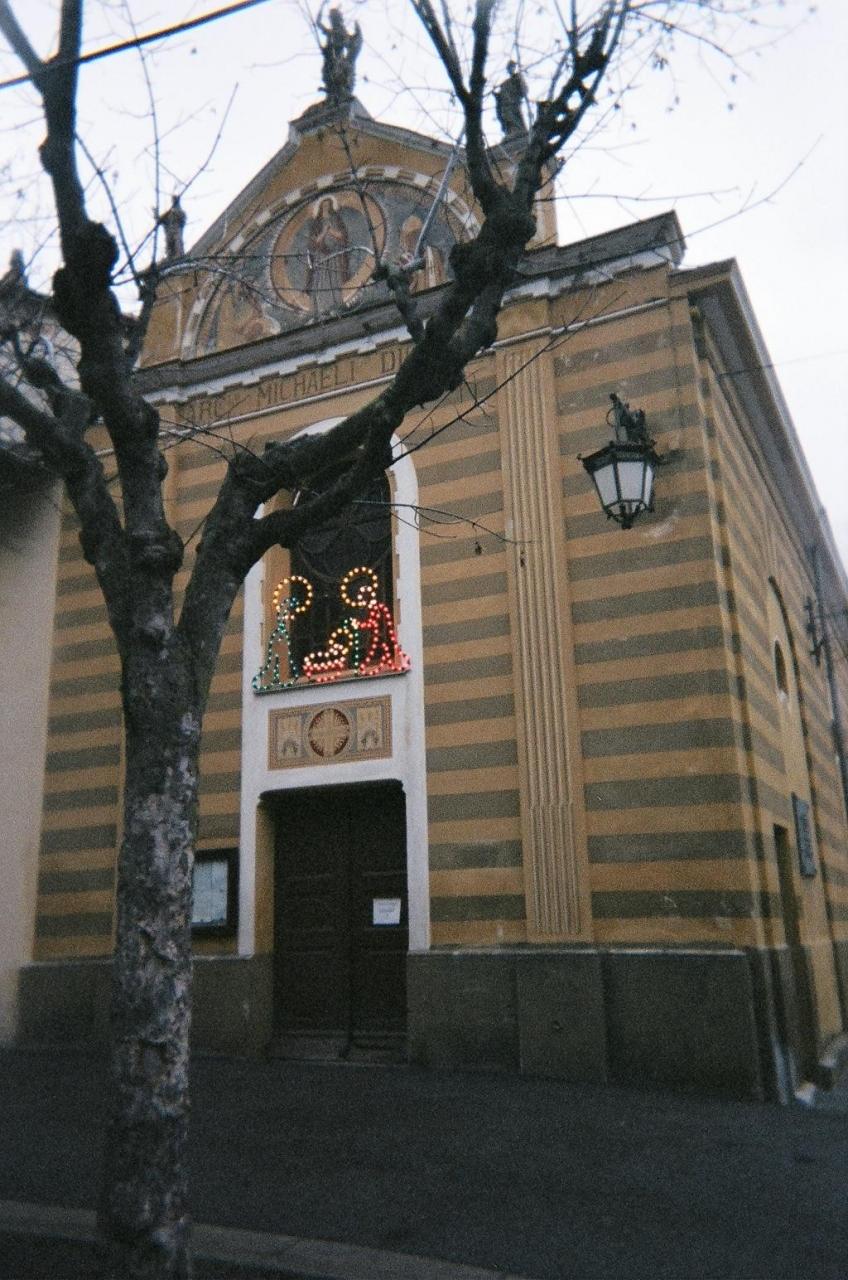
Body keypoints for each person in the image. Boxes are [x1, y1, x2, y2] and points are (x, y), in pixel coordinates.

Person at [306, 197, 350, 310]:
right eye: (323, 205)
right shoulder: (316, 224)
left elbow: (342, 236)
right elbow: (315, 242)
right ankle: (323, 307)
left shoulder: (336, 219)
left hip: (335, 256)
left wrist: (330, 230)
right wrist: (325, 231)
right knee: (322, 282)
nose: (326, 207)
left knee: (335, 281)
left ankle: (338, 304)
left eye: (328, 205)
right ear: (320, 208)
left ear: (331, 206)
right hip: (321, 257)